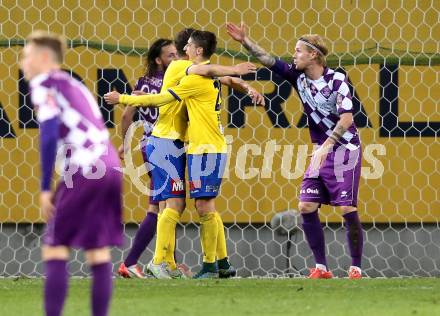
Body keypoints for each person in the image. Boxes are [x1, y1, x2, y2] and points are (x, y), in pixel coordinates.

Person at [104, 29, 265, 279]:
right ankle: (166, 262)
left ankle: (208, 263)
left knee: (188, 204)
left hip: (190, 145)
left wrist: (245, 85)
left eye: (186, 47)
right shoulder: (183, 68)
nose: (185, 50)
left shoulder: (196, 75)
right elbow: (200, 76)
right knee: (178, 204)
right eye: (185, 47)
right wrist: (236, 70)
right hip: (166, 143)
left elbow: (213, 74)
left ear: (195, 51)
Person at [226, 22, 364, 279]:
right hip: (320, 150)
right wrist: (245, 41)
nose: (294, 55)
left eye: (298, 50)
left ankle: (356, 267)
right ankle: (321, 268)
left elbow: (347, 119)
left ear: (313, 55)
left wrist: (325, 147)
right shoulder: (297, 76)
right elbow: (268, 59)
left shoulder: (337, 80)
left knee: (346, 209)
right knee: (306, 206)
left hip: (345, 149)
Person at [21, 31, 123, 316]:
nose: (23, 62)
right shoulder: (75, 85)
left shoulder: (44, 83)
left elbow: (49, 133)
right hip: (110, 165)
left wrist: (44, 187)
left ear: (43, 58)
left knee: (55, 248)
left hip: (84, 166)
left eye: (26, 55)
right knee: (97, 251)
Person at [117, 38, 177, 279]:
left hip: (150, 147)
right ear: (158, 59)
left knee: (167, 206)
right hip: (165, 148)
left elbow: (126, 115)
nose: (175, 58)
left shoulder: (142, 83)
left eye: (176, 54)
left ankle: (167, 262)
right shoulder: (173, 82)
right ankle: (133, 262)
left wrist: (124, 144)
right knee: (162, 206)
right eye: (170, 55)